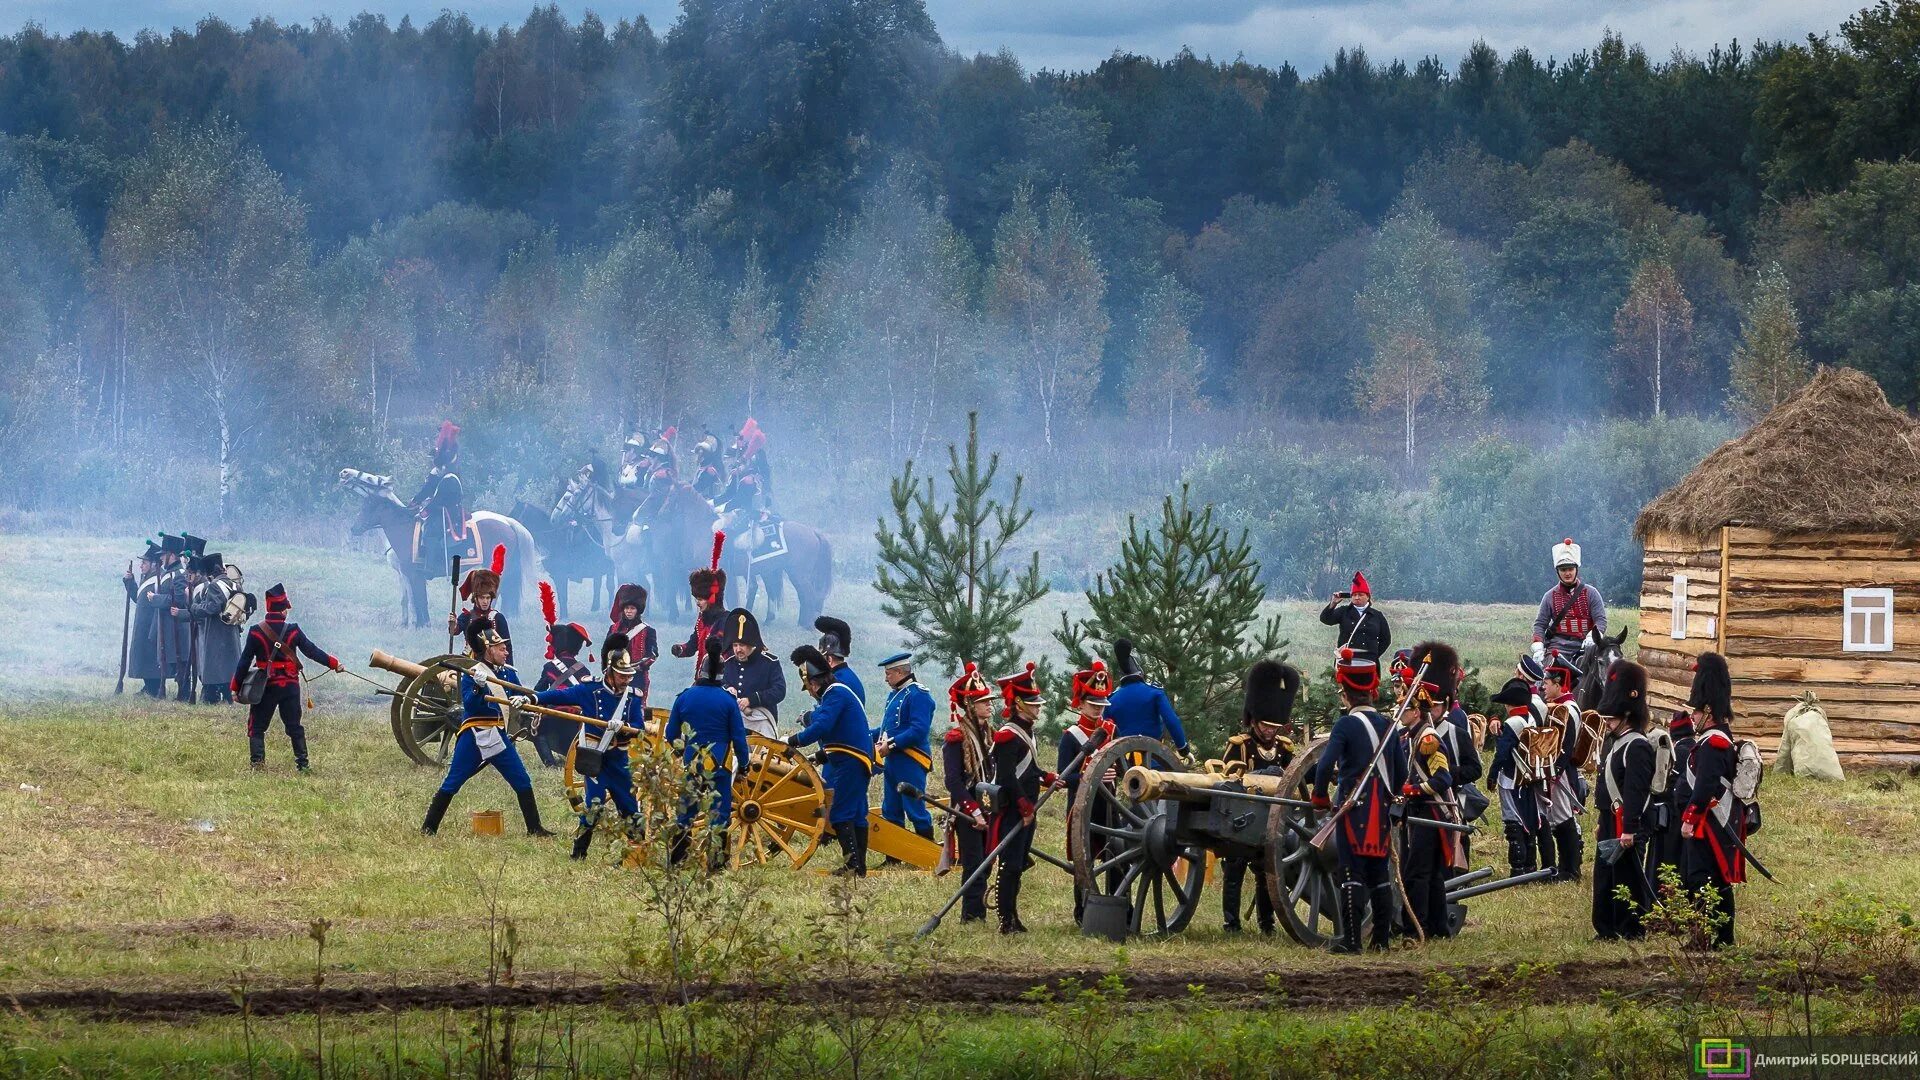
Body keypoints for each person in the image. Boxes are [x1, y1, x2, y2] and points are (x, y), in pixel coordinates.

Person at [420, 615, 553, 838]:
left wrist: (529, 701)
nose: (506, 651)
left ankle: (534, 828)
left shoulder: (508, 673)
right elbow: (471, 705)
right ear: (489, 649)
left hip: (498, 735)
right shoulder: (473, 674)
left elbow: (523, 694)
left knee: (522, 780)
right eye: (502, 648)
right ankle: (428, 828)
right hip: (474, 734)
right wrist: (479, 687)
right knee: (453, 781)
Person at [1311, 651, 1405, 954]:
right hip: (1380, 807)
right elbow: (1401, 772)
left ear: (1345, 692)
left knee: (1351, 872)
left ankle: (1352, 941)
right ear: (1371, 690)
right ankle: (1381, 939)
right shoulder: (1389, 726)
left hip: (1353, 806)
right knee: (1378, 873)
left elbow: (1324, 766)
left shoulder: (1345, 725)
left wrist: (1320, 796)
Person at [527, 631, 645, 859]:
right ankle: (578, 854)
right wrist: (531, 699)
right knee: (594, 808)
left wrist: (624, 725)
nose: (627, 680)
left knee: (631, 808)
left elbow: (639, 727)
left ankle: (636, 856)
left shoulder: (632, 696)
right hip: (594, 760)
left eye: (628, 675)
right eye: (622, 675)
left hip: (619, 762)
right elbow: (558, 697)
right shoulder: (590, 690)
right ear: (609, 672)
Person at [1220, 659, 1299, 936]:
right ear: (1253, 720)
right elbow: (1227, 780)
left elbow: (1296, 779)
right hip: (1242, 815)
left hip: (1273, 818)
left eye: (1275, 726)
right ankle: (1232, 923)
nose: (1270, 731)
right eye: (1266, 725)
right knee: (1234, 871)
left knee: (1269, 874)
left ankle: (1268, 923)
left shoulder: (1285, 748)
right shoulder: (1239, 746)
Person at [229, 584, 341, 773]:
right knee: (294, 726)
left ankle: (257, 766)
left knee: (256, 727)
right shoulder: (293, 630)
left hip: (266, 687)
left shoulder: (256, 631)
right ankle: (303, 764)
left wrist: (236, 686)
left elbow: (244, 661)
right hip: (290, 686)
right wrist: (334, 663)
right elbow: (312, 651)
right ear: (282, 610)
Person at [664, 636, 752, 870]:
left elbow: (671, 733)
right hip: (719, 766)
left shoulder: (685, 697)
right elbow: (739, 739)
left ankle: (677, 860)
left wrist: (681, 753)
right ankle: (717, 863)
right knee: (720, 814)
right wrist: (744, 765)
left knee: (685, 813)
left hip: (692, 762)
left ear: (700, 672)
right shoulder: (727, 701)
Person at [788, 645, 873, 876]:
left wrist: (792, 740)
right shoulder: (835, 693)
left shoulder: (835, 693)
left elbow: (822, 726)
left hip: (851, 762)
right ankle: (858, 866)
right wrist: (819, 755)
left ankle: (853, 866)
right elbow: (843, 734)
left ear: (816, 682)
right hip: (851, 758)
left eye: (810, 686)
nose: (811, 691)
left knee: (842, 813)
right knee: (855, 813)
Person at [1681, 652, 1744, 948]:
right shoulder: (1717, 738)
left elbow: (1704, 787)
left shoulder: (1714, 741)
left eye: (1696, 711)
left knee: (1704, 879)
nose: (1692, 716)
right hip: (1711, 822)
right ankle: (1713, 937)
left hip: (1709, 823)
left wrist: (1689, 820)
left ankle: (1717, 937)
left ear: (1707, 710)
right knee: (1710, 879)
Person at [991, 663, 1058, 934]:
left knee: (1018, 865)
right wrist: (1023, 806)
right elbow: (1007, 777)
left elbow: (1028, 769)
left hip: (1027, 809)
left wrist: (1046, 777)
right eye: (1033, 703)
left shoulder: (1028, 731)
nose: (1038, 707)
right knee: (1010, 864)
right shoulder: (1007, 735)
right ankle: (1005, 920)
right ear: (1018, 703)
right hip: (1013, 809)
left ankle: (1013, 916)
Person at [1592, 661, 1656, 941]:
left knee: (1628, 877)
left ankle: (1632, 928)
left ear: (1627, 715)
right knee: (1605, 875)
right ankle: (1606, 927)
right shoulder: (1616, 742)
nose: (1607, 722)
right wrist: (1600, 819)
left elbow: (1635, 791)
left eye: (1612, 718)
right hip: (1609, 818)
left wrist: (1629, 828)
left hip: (1625, 821)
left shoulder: (1637, 745)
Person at [1398, 671, 1464, 940]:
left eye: (1405, 707)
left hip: (1431, 811)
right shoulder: (1413, 736)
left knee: (1419, 873)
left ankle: (1416, 928)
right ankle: (1439, 928)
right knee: (1433, 874)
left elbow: (1442, 779)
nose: (1400, 711)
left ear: (1416, 712)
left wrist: (1412, 790)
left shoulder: (1428, 740)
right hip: (1421, 812)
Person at [1059, 662, 1115, 924]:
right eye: (1093, 705)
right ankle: (1082, 912)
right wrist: (1088, 776)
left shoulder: (1112, 732)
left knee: (1116, 858)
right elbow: (1064, 777)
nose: (1098, 710)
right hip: (1082, 806)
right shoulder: (1070, 737)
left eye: (1102, 705)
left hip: (1110, 805)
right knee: (1084, 861)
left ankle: (1118, 908)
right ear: (1079, 704)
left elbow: (1126, 764)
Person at [941, 663, 997, 922]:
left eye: (988, 701)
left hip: (990, 804)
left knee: (987, 860)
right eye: (982, 701)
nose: (989, 705)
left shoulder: (991, 735)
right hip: (968, 807)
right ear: (970, 705)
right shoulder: (956, 738)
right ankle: (972, 915)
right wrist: (973, 810)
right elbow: (953, 781)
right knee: (974, 863)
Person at [872, 651, 937, 855]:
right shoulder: (895, 694)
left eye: (889, 673)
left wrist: (890, 744)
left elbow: (918, 730)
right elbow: (887, 728)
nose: (886, 678)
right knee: (891, 808)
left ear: (900, 671)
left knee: (914, 807)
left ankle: (928, 853)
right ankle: (895, 855)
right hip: (893, 759)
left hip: (910, 758)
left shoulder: (919, 694)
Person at [1490, 671, 1552, 876]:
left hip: (1511, 778)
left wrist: (1492, 775)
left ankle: (1518, 868)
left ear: (1510, 704)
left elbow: (1502, 754)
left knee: (1513, 824)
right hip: (1527, 778)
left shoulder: (1512, 723)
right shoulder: (1530, 719)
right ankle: (1530, 865)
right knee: (1528, 823)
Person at [1538, 655, 1586, 882]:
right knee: (1559, 817)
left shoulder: (1567, 709)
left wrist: (1554, 770)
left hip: (1561, 770)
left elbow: (1565, 745)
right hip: (1558, 769)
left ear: (1559, 684)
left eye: (1547, 683)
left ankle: (1570, 869)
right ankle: (1565, 867)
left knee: (1563, 817)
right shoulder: (1561, 707)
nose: (1543, 687)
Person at [1104, 638, 1188, 759]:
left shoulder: (1111, 700)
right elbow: (1171, 721)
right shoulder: (1154, 693)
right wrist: (1183, 749)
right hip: (1156, 760)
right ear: (1140, 673)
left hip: (1125, 764)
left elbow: (1106, 732)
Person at [1531, 538, 1606, 668]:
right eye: (1563, 570)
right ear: (1557, 572)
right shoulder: (1549, 596)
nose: (1567, 573)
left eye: (1570, 569)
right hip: (1557, 648)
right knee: (1546, 679)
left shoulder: (1592, 593)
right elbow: (1540, 624)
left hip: (1585, 647)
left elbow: (1600, 620)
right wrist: (1538, 646)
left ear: (1576, 569)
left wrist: (1592, 637)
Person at [409, 421, 475, 566]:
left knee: (431, 531)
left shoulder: (450, 478)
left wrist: (426, 510)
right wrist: (415, 501)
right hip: (439, 508)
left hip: (448, 512)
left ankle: (431, 566)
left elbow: (439, 500)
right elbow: (428, 488)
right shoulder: (440, 473)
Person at [530, 620, 594, 768]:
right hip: (577, 714)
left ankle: (549, 763)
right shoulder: (584, 670)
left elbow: (539, 690)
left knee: (537, 731)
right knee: (568, 738)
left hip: (555, 712)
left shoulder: (550, 666)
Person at [138, 534, 192, 701]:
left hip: (175, 625)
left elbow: (178, 600)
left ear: (172, 556)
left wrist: (155, 599)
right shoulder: (170, 573)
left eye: (164, 554)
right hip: (166, 624)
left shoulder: (179, 574)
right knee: (170, 659)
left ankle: (183, 694)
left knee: (180, 660)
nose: (161, 557)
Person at [189, 553, 245, 705]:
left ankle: (212, 696)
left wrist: (195, 607)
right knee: (228, 666)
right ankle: (227, 695)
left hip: (216, 631)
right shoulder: (234, 584)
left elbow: (212, 608)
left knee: (214, 666)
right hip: (231, 631)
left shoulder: (215, 585)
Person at [721, 607, 786, 738]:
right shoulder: (729, 663)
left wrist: (751, 700)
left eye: (742, 645)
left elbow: (779, 691)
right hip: (734, 717)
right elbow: (722, 683)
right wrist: (728, 688)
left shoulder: (769, 663)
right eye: (735, 645)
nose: (738, 649)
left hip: (761, 719)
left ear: (751, 644)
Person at [1652, 708, 1696, 893]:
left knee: (1668, 858)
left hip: (1672, 815)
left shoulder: (1679, 752)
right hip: (1686, 813)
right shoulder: (1695, 748)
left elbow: (1665, 784)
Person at [452, 548, 512, 665]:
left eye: (488, 598)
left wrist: (508, 670)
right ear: (476, 598)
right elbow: (454, 631)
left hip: (493, 665)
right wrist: (453, 623)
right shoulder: (467, 616)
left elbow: (507, 647)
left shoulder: (498, 617)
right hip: (470, 662)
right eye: (482, 598)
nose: (485, 601)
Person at [1320, 573, 1391, 669]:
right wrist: (1333, 603)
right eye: (1354, 595)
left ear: (1368, 597)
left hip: (1369, 661)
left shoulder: (1377, 615)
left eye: (1360, 595)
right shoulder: (1344, 611)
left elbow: (1386, 639)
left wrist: (1374, 655)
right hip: (1346, 661)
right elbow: (1326, 619)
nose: (1357, 597)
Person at [123, 543, 165, 697]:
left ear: (154, 565)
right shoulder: (147, 579)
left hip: (151, 626)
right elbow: (138, 599)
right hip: (143, 625)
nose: (141, 566)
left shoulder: (157, 581)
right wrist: (130, 582)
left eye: (145, 563)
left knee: (150, 658)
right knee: (144, 656)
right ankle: (149, 686)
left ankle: (153, 688)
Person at [606, 584, 659, 702]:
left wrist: (639, 666)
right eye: (627, 608)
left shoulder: (648, 631)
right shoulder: (613, 629)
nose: (629, 611)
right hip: (615, 677)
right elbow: (606, 651)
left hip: (637, 678)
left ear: (638, 610)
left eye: (632, 608)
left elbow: (653, 654)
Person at [669, 565, 729, 668]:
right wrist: (681, 649)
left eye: (700, 599)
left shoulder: (725, 621)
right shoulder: (702, 619)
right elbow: (693, 644)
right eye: (696, 599)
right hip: (702, 675)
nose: (697, 603)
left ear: (712, 599)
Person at [689, 431, 728, 502]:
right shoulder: (705, 468)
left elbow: (700, 486)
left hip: (708, 502)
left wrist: (688, 490)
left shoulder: (711, 471)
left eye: (700, 454)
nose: (697, 457)